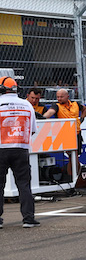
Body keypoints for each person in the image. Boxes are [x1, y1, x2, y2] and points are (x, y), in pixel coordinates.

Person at [0, 75, 39, 228]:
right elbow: (33, 130)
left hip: (1, 149)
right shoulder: (27, 105)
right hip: (20, 149)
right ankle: (28, 219)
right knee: (24, 184)